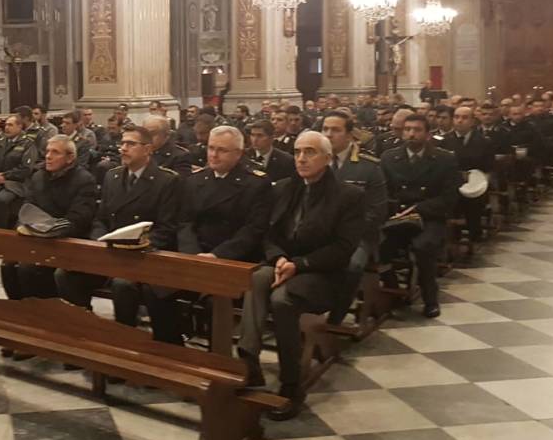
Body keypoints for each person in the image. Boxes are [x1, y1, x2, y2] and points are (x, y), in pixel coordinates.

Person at [237, 131, 365, 420]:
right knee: (254, 278)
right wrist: (279, 258)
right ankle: (249, 361)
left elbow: (343, 249)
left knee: (282, 300)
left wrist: (299, 264)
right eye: (297, 152)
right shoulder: (283, 188)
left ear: (327, 158)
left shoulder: (348, 196)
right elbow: (268, 233)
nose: (301, 158)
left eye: (310, 152)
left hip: (322, 273)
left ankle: (291, 384)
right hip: (284, 264)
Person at [145, 125, 273, 344]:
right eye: (211, 148)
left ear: (239, 153)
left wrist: (216, 256)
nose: (213, 154)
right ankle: (172, 349)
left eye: (222, 150)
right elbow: (185, 222)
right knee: (155, 287)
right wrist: (193, 254)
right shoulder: (195, 180)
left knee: (215, 300)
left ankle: (216, 358)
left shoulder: (255, 183)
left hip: (232, 260)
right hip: (196, 255)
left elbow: (253, 230)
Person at [56, 125, 182, 326]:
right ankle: (83, 328)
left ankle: (124, 336)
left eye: (131, 144)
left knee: (123, 284)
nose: (123, 148)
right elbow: (100, 218)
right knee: (66, 274)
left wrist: (137, 245)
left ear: (147, 149)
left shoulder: (166, 181)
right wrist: (100, 240)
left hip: (143, 256)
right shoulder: (112, 176)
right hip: (110, 252)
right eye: (122, 143)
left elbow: (166, 229)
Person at [379, 113, 461, 318]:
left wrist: (419, 209)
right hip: (398, 216)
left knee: (423, 247)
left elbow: (449, 197)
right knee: (378, 246)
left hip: (428, 217)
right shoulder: (389, 157)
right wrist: (394, 209)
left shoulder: (444, 159)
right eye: (407, 129)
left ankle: (430, 299)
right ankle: (393, 289)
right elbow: (383, 191)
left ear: (427, 134)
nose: (411, 134)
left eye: (417, 130)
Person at [5, 135, 97, 301]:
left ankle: (43, 310)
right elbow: (27, 207)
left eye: (55, 152)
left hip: (66, 241)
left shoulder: (84, 180)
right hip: (37, 238)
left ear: (70, 158)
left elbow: (78, 219)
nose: (48, 156)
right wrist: (24, 228)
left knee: (29, 268)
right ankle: (20, 309)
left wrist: (46, 230)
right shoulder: (38, 176)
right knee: (8, 264)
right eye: (47, 151)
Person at [320, 112, 387, 326]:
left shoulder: (368, 166)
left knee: (351, 265)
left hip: (358, 236)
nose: (328, 134)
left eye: (335, 130)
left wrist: (343, 232)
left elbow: (376, 211)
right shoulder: (315, 161)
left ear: (350, 135)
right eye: (325, 129)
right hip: (319, 232)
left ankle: (336, 316)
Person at [442, 106, 495, 242]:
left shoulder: (484, 142)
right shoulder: (444, 141)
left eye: (465, 118)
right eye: (456, 117)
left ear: (472, 121)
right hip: (450, 184)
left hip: (474, 184)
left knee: (473, 202)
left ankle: (474, 232)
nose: (460, 121)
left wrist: (480, 183)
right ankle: (451, 234)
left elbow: (488, 168)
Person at [244, 120, 297, 184]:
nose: (255, 140)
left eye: (260, 136)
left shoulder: (286, 160)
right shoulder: (244, 156)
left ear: (272, 138)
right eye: (252, 135)